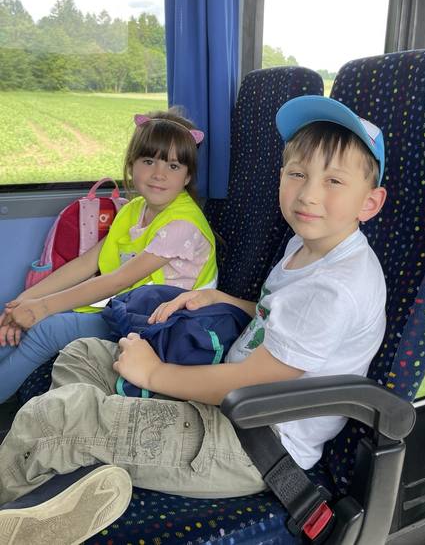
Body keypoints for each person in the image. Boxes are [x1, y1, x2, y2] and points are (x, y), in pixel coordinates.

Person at [0, 95, 388, 544]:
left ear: (370, 202)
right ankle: (70, 487)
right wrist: (225, 299)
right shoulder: (308, 246)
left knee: (53, 418)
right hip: (225, 405)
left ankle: (41, 481)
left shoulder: (336, 287)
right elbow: (280, 319)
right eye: (297, 173)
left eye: (333, 180)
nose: (308, 193)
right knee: (81, 354)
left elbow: (253, 382)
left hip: (248, 441)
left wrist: (154, 374)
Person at [0, 109, 217, 402]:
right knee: (11, 317)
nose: (159, 174)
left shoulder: (183, 224)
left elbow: (117, 281)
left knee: (47, 329)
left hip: (164, 325)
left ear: (188, 176)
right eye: (149, 161)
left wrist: (42, 308)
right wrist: (23, 301)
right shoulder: (132, 210)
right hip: (129, 308)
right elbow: (86, 263)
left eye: (174, 166)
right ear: (131, 164)